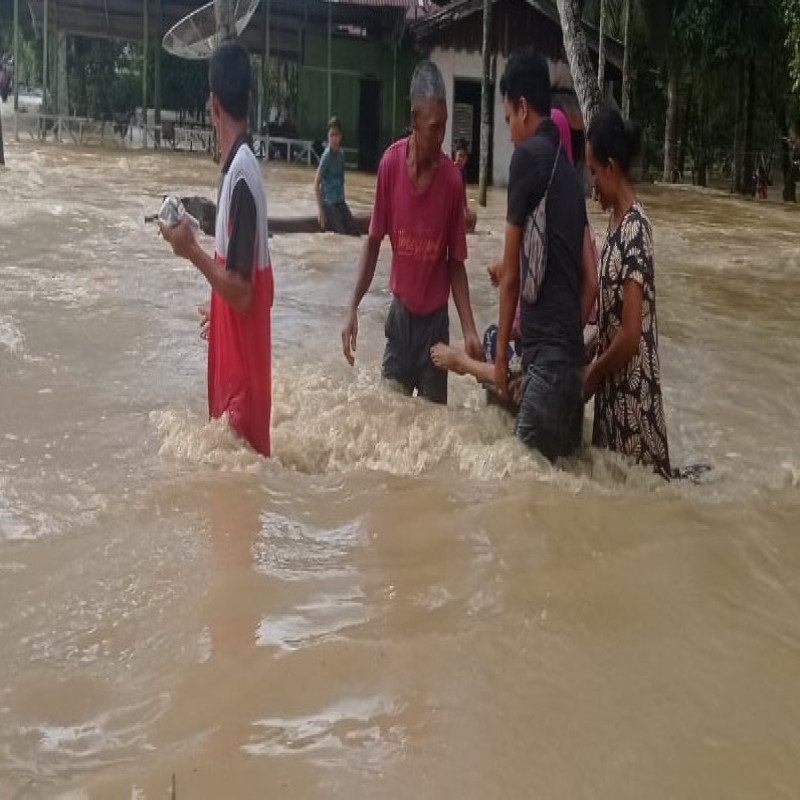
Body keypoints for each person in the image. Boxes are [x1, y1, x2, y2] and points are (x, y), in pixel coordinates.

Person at [431, 96, 598, 420]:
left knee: (498, 351)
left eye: (510, 120)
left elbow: (527, 273)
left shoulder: (539, 190)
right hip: (558, 352)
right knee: (495, 338)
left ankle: (460, 363)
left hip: (539, 348)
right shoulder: (573, 207)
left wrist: (461, 362)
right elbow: (573, 273)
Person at [340, 61, 482, 405]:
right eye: (434, 127)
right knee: (389, 419)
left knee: (432, 430)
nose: (441, 136)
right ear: (415, 120)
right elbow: (373, 243)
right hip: (399, 323)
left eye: (445, 126)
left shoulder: (450, 180)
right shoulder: (389, 166)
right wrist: (352, 307)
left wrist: (469, 330)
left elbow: (455, 263)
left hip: (436, 330)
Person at [160, 40, 274, 457]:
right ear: (248, 99)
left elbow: (244, 293)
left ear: (213, 105)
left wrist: (190, 250)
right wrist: (220, 309)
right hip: (241, 387)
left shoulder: (241, 176)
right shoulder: (237, 172)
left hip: (241, 396)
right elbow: (259, 289)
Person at [582, 106, 671, 478]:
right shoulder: (615, 223)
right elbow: (612, 318)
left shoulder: (636, 228)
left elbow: (631, 334)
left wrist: (591, 375)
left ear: (612, 167)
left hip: (634, 406)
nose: (592, 186)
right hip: (613, 395)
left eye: (593, 173)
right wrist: (586, 351)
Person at [314, 116, 360, 236]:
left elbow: (341, 180)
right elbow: (316, 184)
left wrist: (343, 203)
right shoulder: (326, 156)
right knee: (342, 235)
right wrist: (321, 210)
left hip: (340, 202)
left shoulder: (341, 155)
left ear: (341, 136)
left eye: (337, 135)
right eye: (332, 135)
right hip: (329, 203)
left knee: (355, 233)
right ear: (328, 137)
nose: (334, 138)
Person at [453, 138, 478, 232]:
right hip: (448, 208)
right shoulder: (451, 170)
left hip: (457, 208)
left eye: (463, 157)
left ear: (466, 159)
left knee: (473, 218)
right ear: (455, 156)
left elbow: (463, 194)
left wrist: (465, 209)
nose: (461, 159)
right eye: (459, 156)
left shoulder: (463, 173)